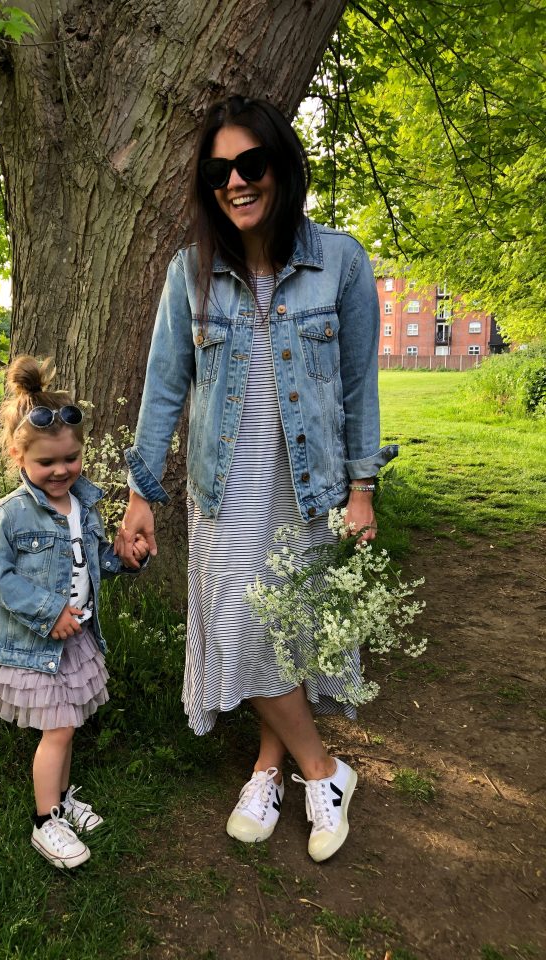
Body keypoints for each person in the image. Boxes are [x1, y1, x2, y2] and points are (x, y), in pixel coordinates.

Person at [115, 95, 397, 863]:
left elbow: (359, 385)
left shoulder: (339, 261)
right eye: (218, 170)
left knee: (287, 629)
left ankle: (269, 768)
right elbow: (163, 389)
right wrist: (141, 494)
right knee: (244, 620)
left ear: (281, 165)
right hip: (224, 486)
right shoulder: (190, 272)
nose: (235, 182)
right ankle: (325, 770)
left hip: (308, 485)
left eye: (250, 164)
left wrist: (362, 489)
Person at [0, 355, 149, 870]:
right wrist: (49, 612)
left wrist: (126, 559)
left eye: (69, 459)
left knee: (67, 723)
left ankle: (62, 798)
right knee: (59, 730)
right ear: (18, 457)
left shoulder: (83, 505)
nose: (60, 471)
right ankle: (45, 821)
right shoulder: (9, 514)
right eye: (46, 463)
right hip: (35, 644)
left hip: (75, 641)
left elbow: (95, 563)